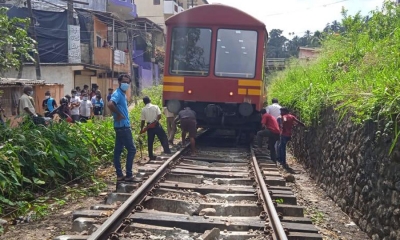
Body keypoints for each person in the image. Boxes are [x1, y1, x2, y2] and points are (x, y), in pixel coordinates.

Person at [107, 74, 137, 181]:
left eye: (128, 82)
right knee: (132, 149)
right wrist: (119, 114)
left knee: (118, 151)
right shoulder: (118, 94)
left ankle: (120, 175)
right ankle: (129, 174)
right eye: (124, 81)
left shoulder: (122, 95)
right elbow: (110, 104)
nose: (126, 84)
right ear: (119, 82)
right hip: (123, 127)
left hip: (122, 126)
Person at [140, 96, 171, 160]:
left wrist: (142, 129)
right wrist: (155, 122)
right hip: (156, 125)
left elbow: (142, 121)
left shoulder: (143, 109)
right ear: (150, 100)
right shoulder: (155, 107)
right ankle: (167, 151)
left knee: (150, 141)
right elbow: (159, 116)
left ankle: (151, 156)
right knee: (163, 137)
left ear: (144, 102)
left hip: (149, 127)